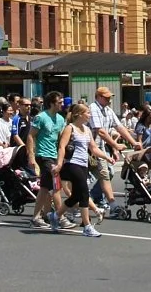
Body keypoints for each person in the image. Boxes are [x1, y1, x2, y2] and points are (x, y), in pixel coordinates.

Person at [56, 101, 104, 237]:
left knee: (76, 195)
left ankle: (56, 215)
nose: (89, 115)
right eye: (87, 113)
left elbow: (93, 148)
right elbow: (62, 147)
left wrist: (107, 157)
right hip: (72, 164)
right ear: (79, 114)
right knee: (84, 192)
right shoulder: (69, 128)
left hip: (84, 165)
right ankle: (87, 226)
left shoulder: (87, 130)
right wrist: (59, 163)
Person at [27, 90, 67, 230]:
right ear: (52, 103)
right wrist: (31, 155)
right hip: (43, 155)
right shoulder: (41, 117)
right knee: (56, 186)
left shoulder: (61, 119)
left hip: (54, 155)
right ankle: (60, 217)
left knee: (44, 188)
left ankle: (36, 218)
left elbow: (62, 139)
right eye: (59, 102)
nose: (62, 104)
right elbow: (31, 136)